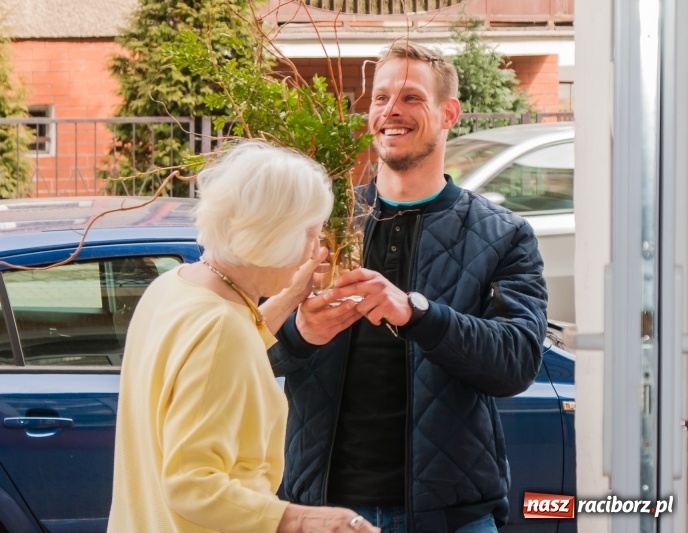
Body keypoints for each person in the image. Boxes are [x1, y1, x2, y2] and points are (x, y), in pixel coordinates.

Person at [269, 41, 548, 533]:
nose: (391, 111)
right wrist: (300, 334)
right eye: (380, 98)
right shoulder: (319, 224)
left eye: (411, 97)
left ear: (449, 112)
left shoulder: (503, 235)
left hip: (452, 515)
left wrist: (417, 313)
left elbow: (516, 364)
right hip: (323, 511)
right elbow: (249, 349)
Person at [107, 140, 380, 533]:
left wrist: (290, 296)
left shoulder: (174, 288)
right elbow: (191, 484)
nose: (316, 248)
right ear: (276, 235)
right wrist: (304, 519)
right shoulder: (221, 330)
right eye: (311, 234)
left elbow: (227, 346)